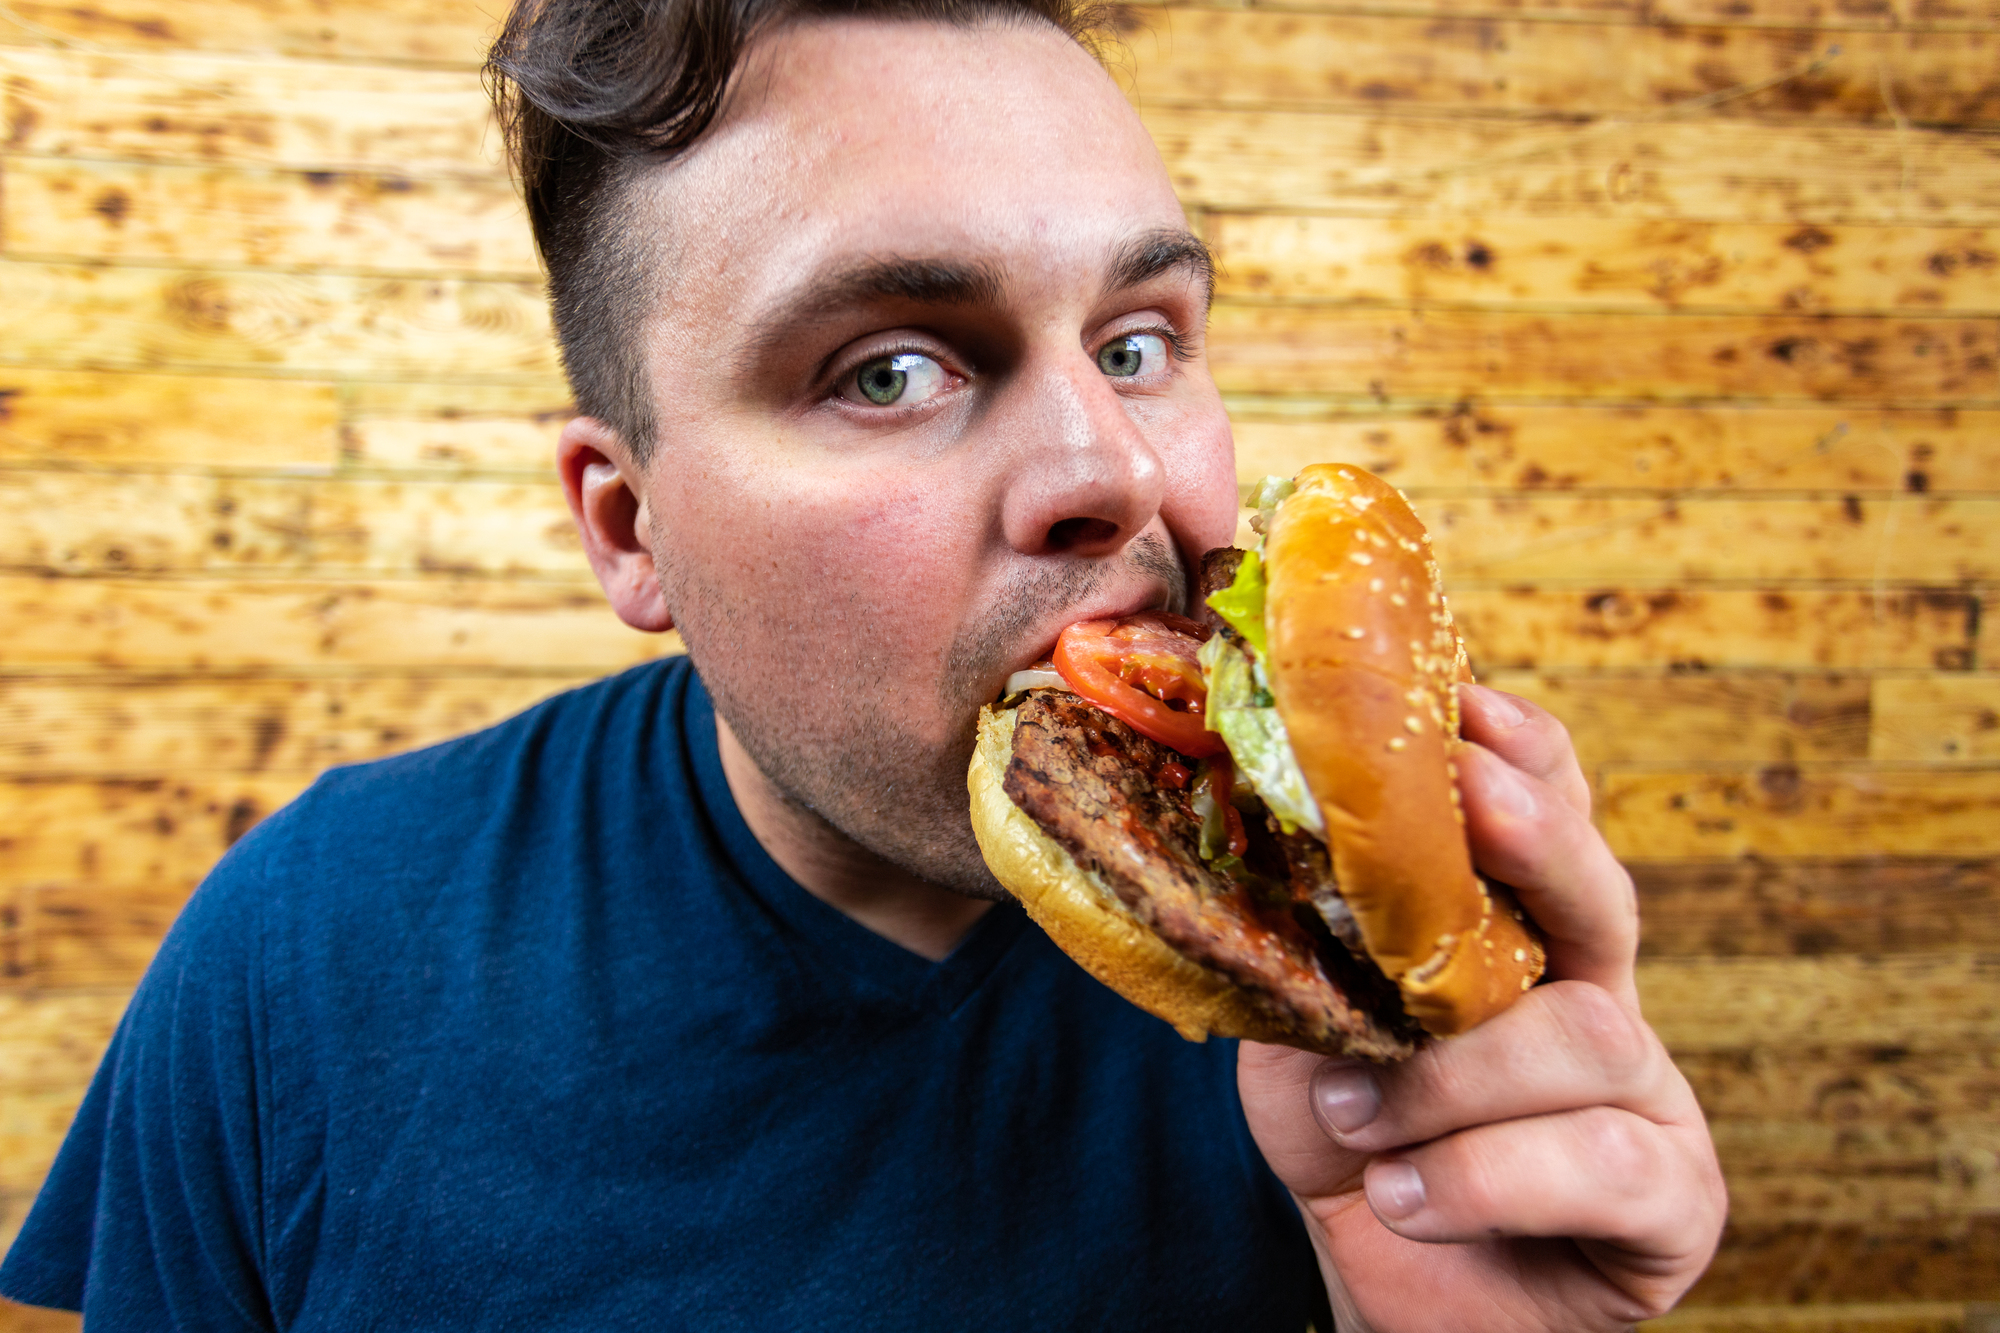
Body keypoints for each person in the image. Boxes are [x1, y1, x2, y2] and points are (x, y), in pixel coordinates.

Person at [0, 0, 1727, 1326]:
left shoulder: (1390, 1037)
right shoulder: (308, 952)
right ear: (629, 527)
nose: (1111, 471)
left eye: (1141, 341)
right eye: (889, 369)